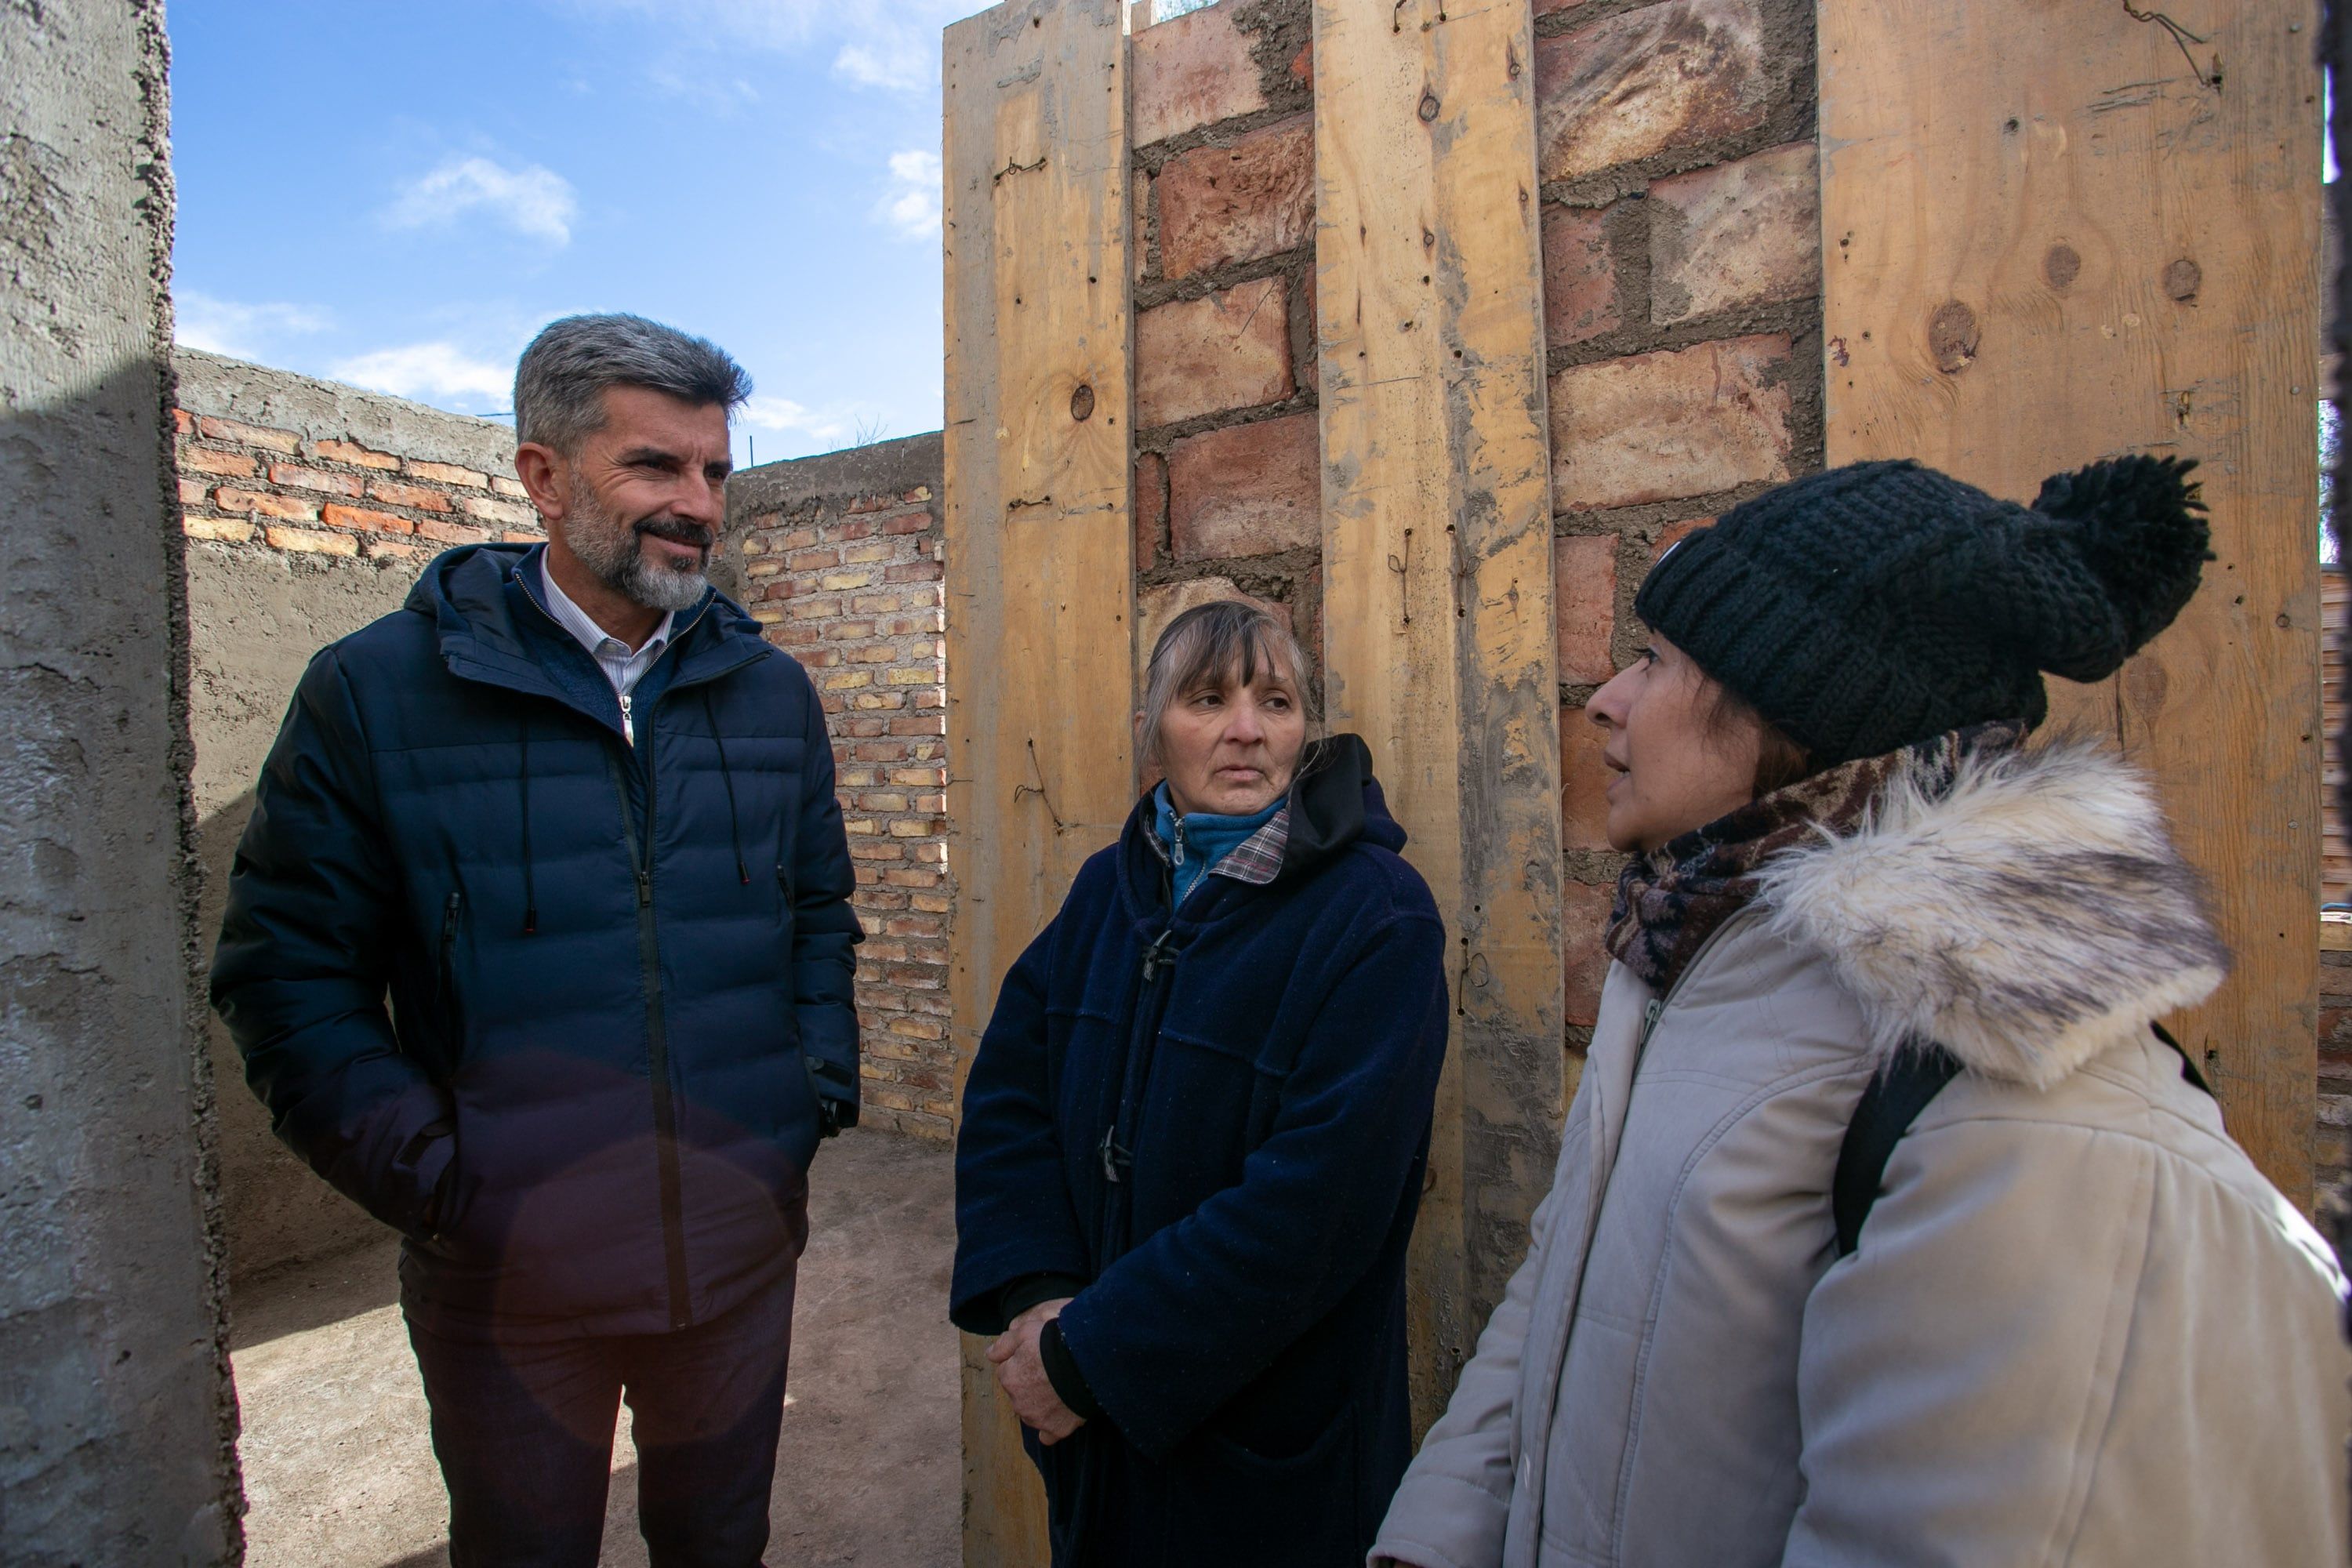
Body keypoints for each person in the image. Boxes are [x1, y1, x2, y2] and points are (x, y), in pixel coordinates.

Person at [1372, 456, 2351, 1567]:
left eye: (1654, 661)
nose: (1607, 698)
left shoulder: (2021, 1094)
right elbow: (1563, 1293)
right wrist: (1433, 1542)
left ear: (1800, 701)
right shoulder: (1694, 958)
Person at [211, 314, 862, 1567]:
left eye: (716, 471)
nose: (698, 505)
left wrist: (808, 1093)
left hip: (734, 1261)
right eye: (655, 467)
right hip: (507, 1288)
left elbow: (818, 912)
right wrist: (447, 1184)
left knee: (722, 1547)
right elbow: (286, 972)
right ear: (543, 478)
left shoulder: (770, 691)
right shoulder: (375, 692)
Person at [950, 600, 1450, 1567]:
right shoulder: (1110, 887)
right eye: (1207, 698)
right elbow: (1010, 1093)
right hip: (1096, 1423)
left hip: (1269, 1438)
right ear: (1151, 727)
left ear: (1308, 730)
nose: (1247, 730)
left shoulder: (1377, 917)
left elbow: (1322, 1199)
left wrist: (1100, 1353)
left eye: (1277, 701)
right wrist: (1047, 1297)